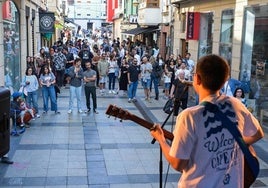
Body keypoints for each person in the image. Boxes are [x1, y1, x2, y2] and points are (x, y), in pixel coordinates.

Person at [150, 54, 264, 187]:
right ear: (224, 80)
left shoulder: (189, 116)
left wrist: (161, 139)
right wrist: (234, 143)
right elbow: (257, 134)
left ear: (197, 78)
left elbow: (178, 163)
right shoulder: (236, 104)